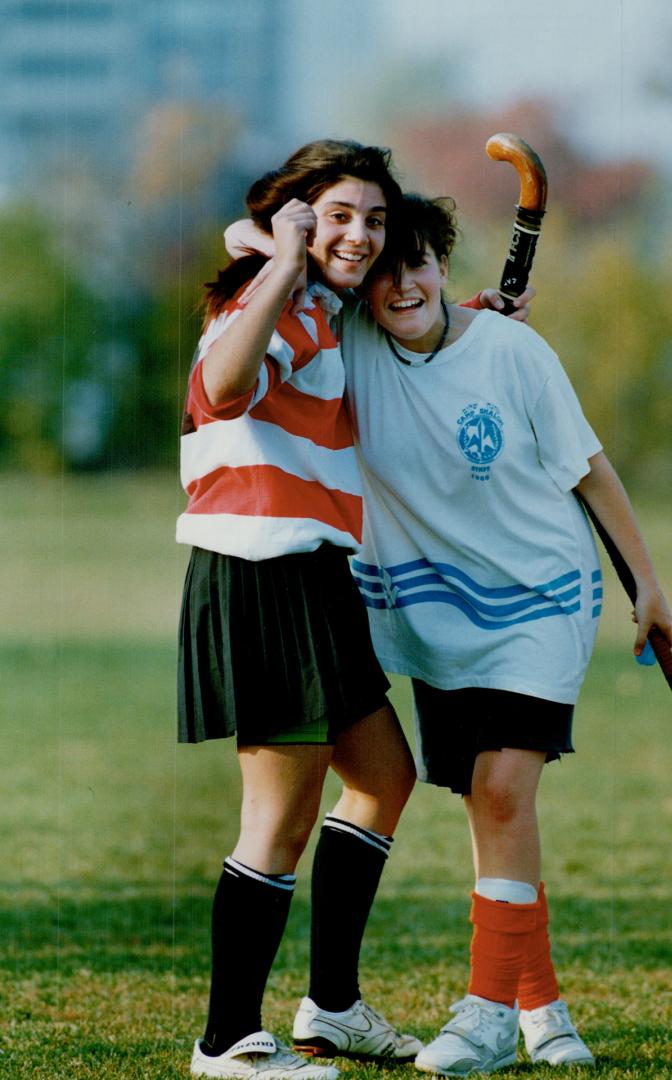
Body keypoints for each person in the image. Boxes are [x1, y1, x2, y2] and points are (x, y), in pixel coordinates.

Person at [336, 193, 672, 1074]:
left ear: (445, 269)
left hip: (542, 596)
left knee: (501, 792)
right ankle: (542, 1005)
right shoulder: (351, 349)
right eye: (384, 272)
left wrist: (648, 582)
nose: (403, 284)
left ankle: (484, 1016)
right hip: (435, 612)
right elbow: (264, 254)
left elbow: (589, 471)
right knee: (493, 812)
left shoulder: (515, 351)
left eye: (418, 265)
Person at [177, 139, 424, 1080]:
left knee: (383, 776)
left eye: (375, 218)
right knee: (277, 822)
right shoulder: (270, 300)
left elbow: (398, 324)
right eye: (339, 215)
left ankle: (331, 1006)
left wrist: (477, 315)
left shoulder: (321, 304)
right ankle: (227, 1041)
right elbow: (223, 390)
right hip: (259, 569)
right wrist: (277, 258)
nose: (361, 234)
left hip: (314, 572)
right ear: (295, 219)